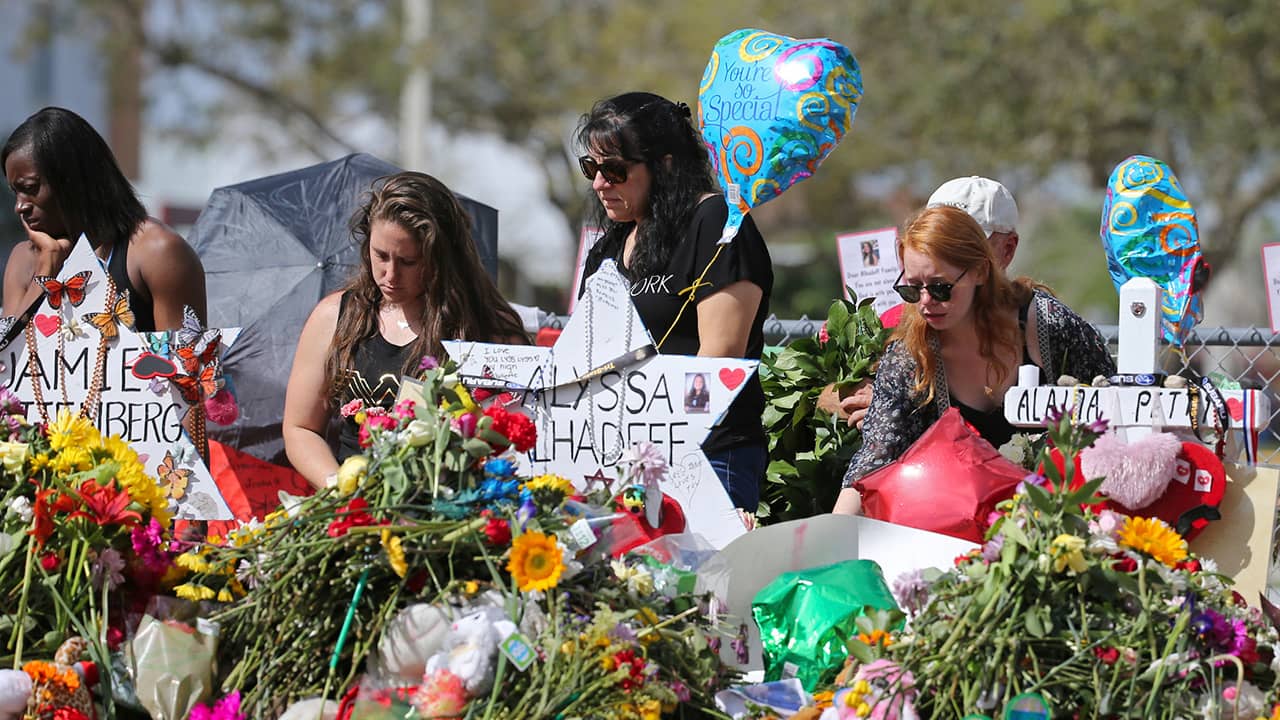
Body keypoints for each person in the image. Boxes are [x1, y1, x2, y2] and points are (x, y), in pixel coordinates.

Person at [832, 205, 1114, 515]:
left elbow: (1112, 418)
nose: (925, 303)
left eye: (941, 288)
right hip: (959, 524)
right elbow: (874, 461)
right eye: (912, 289)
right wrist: (833, 543)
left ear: (980, 270)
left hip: (1060, 517)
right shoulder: (909, 354)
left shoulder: (1049, 326)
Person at [576, 92, 773, 512]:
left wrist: (658, 441)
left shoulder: (717, 222)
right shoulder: (608, 246)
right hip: (617, 457)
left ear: (664, 164)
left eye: (614, 169)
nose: (598, 183)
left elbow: (718, 359)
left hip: (706, 455)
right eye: (591, 167)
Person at [283, 172, 527, 490]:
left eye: (409, 261)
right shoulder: (335, 316)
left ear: (442, 259)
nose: (390, 275)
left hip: (449, 513)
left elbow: (512, 437)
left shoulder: (489, 330)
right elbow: (300, 427)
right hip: (354, 514)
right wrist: (338, 487)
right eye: (380, 256)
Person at [837, 176, 1022, 427]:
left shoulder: (1042, 321)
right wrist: (880, 403)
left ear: (1008, 249)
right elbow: (824, 393)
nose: (948, 250)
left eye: (966, 243)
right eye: (940, 236)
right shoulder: (895, 319)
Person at [2, 107, 206, 331]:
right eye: (16, 192)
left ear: (72, 180)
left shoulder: (156, 252)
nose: (19, 206)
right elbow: (8, 360)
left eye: (30, 188)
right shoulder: (24, 259)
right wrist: (46, 267)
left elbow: (182, 362)